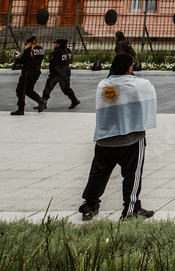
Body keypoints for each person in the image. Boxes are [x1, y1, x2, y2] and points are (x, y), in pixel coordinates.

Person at [78, 53, 157, 221]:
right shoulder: (139, 85)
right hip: (131, 139)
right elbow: (146, 93)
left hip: (105, 139)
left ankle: (89, 205)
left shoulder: (104, 86)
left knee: (98, 173)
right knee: (132, 175)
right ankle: (131, 209)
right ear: (130, 68)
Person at [40, 38, 80, 110]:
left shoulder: (55, 53)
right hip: (65, 72)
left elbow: (53, 64)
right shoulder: (67, 51)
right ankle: (74, 100)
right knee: (66, 88)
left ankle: (43, 102)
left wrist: (51, 73)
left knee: (48, 88)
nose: (54, 45)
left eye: (55, 43)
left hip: (56, 73)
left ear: (58, 44)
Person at [12, 36, 47, 115]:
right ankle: (41, 101)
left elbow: (21, 61)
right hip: (36, 72)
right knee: (28, 90)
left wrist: (18, 57)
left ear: (30, 43)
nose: (27, 45)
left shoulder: (28, 50)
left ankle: (21, 109)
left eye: (27, 44)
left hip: (27, 72)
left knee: (20, 90)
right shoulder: (41, 50)